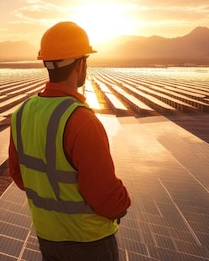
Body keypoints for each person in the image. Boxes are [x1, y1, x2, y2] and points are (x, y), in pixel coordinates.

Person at [8, 21, 131, 261]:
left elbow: (18, 175)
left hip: (48, 238)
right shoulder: (81, 120)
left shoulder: (22, 113)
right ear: (80, 64)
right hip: (90, 243)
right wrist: (122, 203)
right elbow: (104, 194)